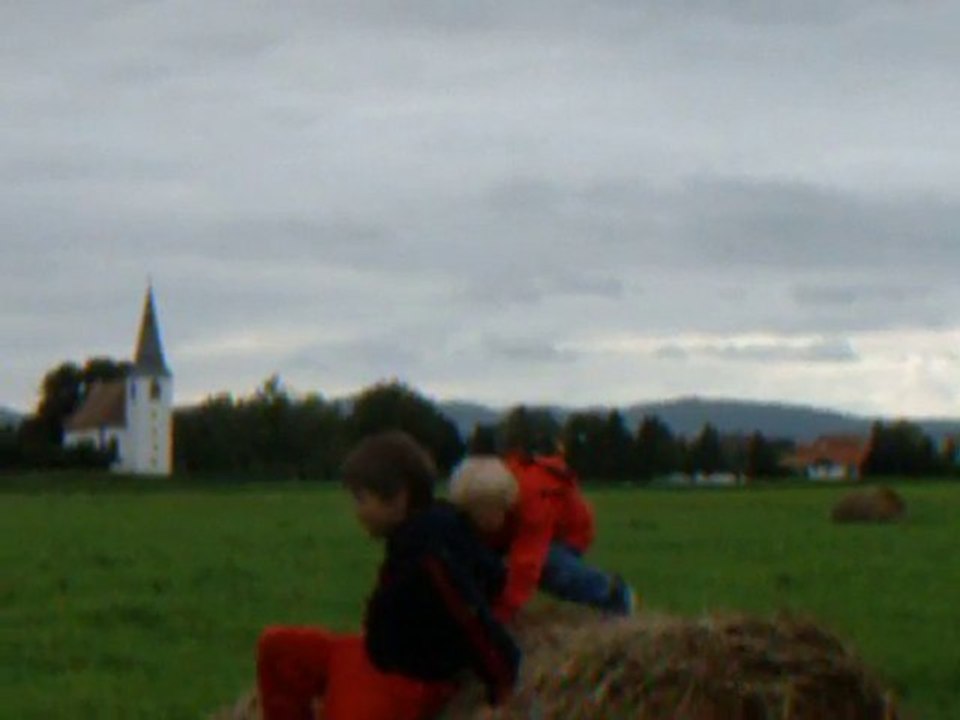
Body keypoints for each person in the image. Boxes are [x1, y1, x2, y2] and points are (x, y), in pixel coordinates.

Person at [257, 431, 519, 720]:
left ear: (398, 498)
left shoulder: (428, 554)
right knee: (276, 648)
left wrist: (502, 683)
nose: (357, 512)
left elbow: (472, 616)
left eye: (362, 499)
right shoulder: (423, 532)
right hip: (371, 655)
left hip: (403, 680)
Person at [449, 446, 636, 623]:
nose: (478, 525)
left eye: (485, 516)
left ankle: (613, 593)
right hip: (516, 531)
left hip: (567, 533)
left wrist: (499, 618)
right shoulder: (480, 493)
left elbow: (526, 565)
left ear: (504, 506)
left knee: (551, 567)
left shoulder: (534, 503)